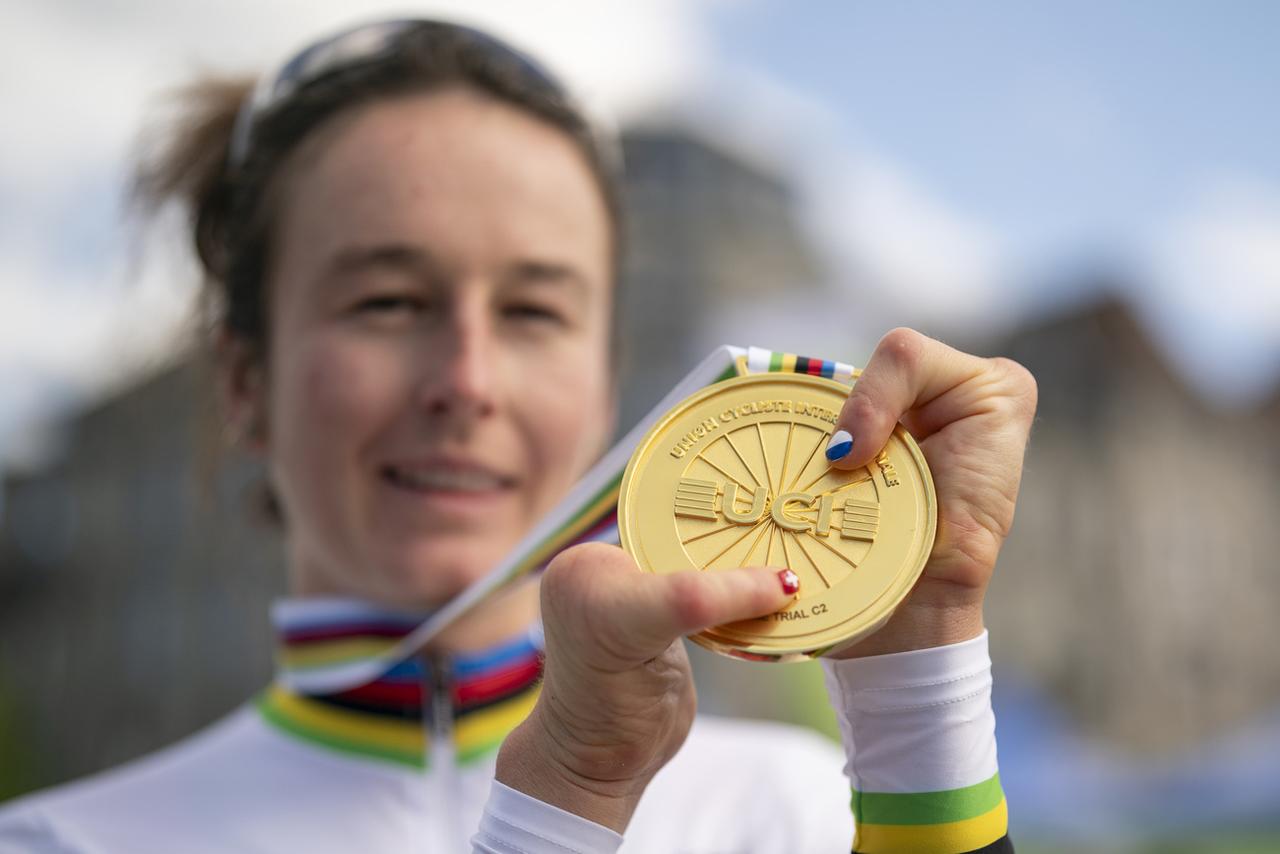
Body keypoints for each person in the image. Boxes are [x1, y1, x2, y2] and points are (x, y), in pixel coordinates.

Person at [0, 19, 1036, 853]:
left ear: (603, 379)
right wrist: (565, 801)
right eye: (387, 301)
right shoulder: (55, 838)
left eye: (535, 311)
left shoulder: (800, 812)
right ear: (244, 377)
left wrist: (918, 675)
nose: (468, 380)